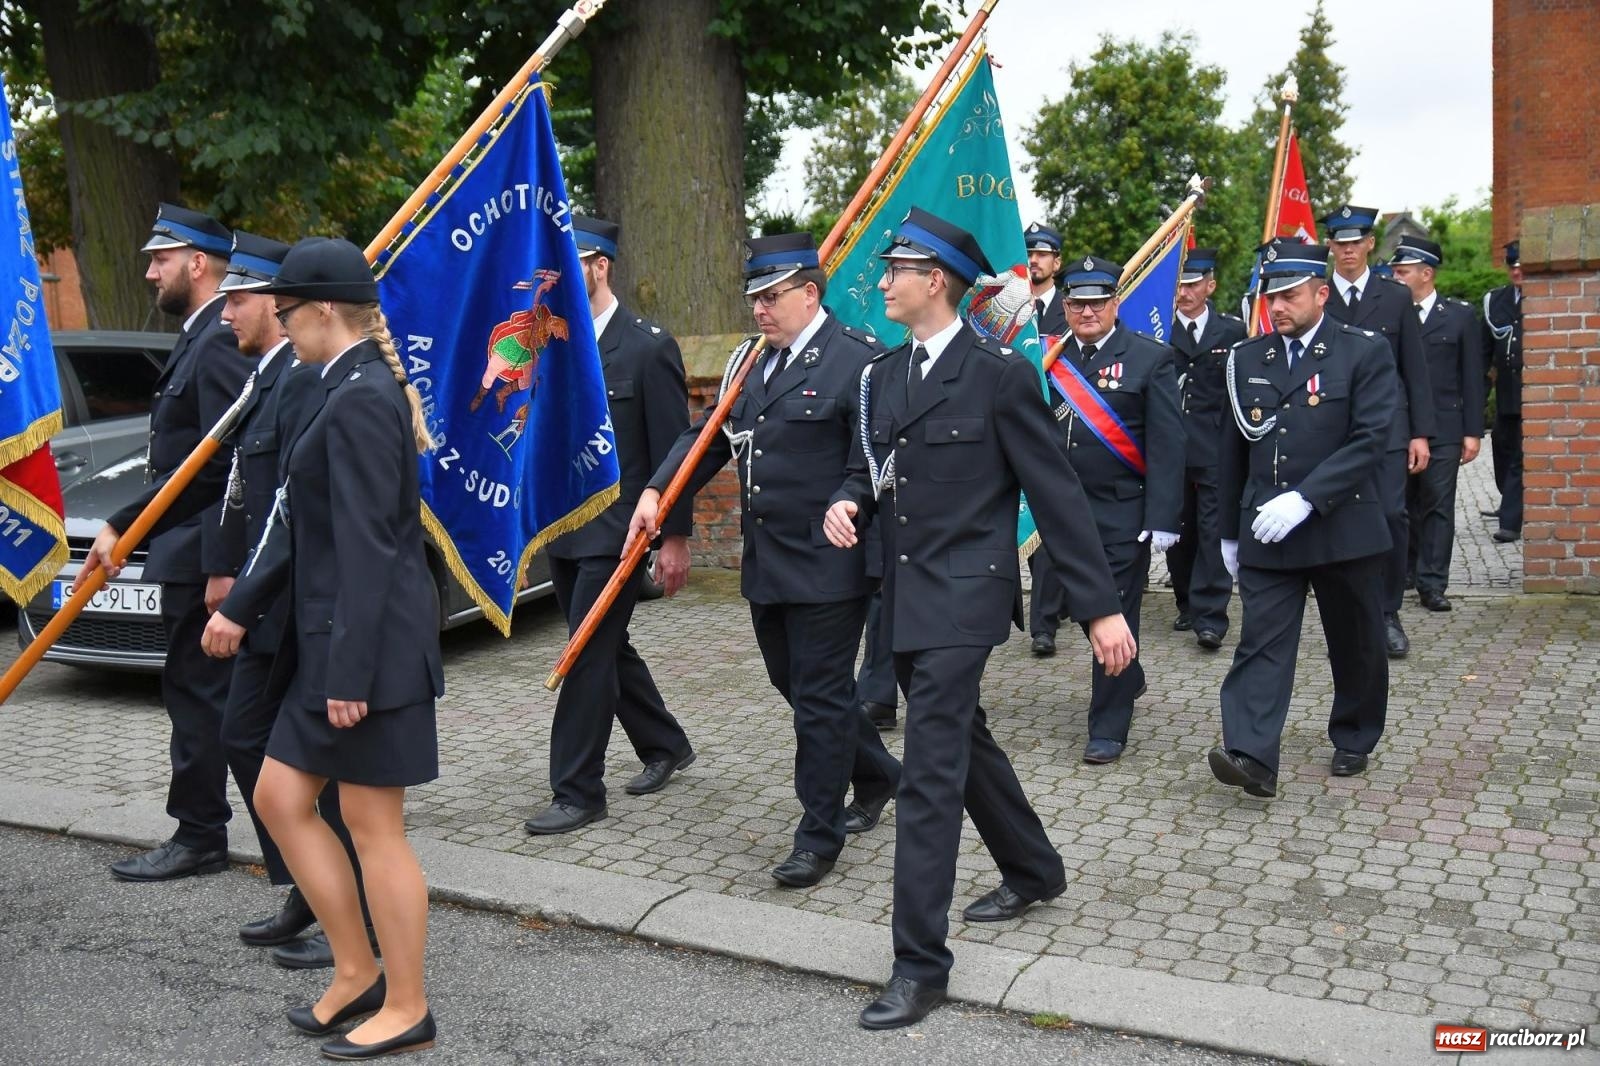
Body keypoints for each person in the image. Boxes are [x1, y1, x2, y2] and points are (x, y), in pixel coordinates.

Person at [822, 207, 1136, 1029]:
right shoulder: (884, 377)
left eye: (895, 270)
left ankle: (919, 964)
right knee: (962, 737)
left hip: (966, 598)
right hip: (901, 595)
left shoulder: (998, 375)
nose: (882, 282)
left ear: (936, 282)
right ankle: (1034, 869)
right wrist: (849, 501)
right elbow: (871, 468)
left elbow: (1056, 493)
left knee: (929, 773)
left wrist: (1100, 610)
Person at [214, 237, 442, 1058]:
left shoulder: (361, 398)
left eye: (283, 310)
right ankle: (355, 970)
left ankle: (407, 1004)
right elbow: (298, 519)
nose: (278, 322)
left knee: (374, 824)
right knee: (280, 797)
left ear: (317, 311)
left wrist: (349, 671)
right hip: (332, 647)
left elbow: (371, 546)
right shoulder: (336, 385)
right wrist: (246, 607)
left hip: (366, 655)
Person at [630, 232, 902, 888]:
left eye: (772, 296)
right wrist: (657, 494)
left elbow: (873, 459)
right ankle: (880, 775)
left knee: (817, 698)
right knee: (802, 688)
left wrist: (848, 500)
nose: (760, 308)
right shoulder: (750, 364)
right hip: (770, 564)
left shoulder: (858, 361)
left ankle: (819, 833)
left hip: (831, 565)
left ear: (811, 294)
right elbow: (707, 437)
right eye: (754, 297)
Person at [76, 203, 253, 883]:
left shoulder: (216, 342)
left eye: (162, 259)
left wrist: (218, 560)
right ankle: (209, 828)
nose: (151, 272)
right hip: (186, 548)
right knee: (197, 695)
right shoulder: (199, 337)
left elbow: (222, 462)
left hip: (204, 553)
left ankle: (204, 834)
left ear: (199, 263)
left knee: (204, 698)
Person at [524, 216, 698, 835]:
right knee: (604, 644)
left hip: (623, 531)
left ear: (601, 267)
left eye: (575, 267)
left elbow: (677, 446)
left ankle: (578, 790)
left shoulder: (648, 346)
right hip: (567, 530)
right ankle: (665, 744)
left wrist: (673, 536)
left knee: (585, 653)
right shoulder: (555, 344)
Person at [1209, 241, 1396, 798]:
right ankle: (1251, 754)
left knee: (1356, 640)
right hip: (1267, 526)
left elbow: (1370, 440)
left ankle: (1355, 735)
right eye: (1272, 296)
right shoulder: (1247, 358)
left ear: (1321, 292)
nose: (1278, 306)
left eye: (1289, 295)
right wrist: (1226, 531)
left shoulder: (1363, 352)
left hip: (1342, 525)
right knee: (1260, 642)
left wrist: (1308, 498)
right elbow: (1230, 450)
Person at [1051, 254, 1183, 763]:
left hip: (1119, 511)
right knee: (1082, 607)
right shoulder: (1048, 356)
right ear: (1065, 306)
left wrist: (1163, 517)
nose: (1087, 312)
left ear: (1116, 302)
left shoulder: (1150, 358)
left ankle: (1108, 725)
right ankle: (1130, 672)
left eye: (1097, 302)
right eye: (1077, 303)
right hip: (1060, 513)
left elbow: (1170, 445)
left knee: (1114, 612)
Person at [1319, 205, 1435, 659]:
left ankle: (1387, 613)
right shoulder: (1319, 295)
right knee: (1338, 520)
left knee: (1390, 515)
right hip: (1333, 428)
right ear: (1330, 247)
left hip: (1389, 426)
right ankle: (1347, 619)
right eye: (1339, 243)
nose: (1348, 250)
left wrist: (1420, 432)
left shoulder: (1395, 297)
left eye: (1355, 242)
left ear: (1370, 244)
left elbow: (1415, 368)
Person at [1390, 236, 1485, 611]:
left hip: (1445, 426)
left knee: (1437, 504)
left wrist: (1473, 431)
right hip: (1401, 424)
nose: (1395, 277)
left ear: (1426, 274)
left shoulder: (1459, 315)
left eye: (1402, 272)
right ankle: (1406, 571)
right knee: (1401, 504)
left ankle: (1432, 583)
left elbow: (1472, 377)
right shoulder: (1394, 314)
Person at [1166, 247, 1248, 648]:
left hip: (1216, 446)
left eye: (1192, 284)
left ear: (1210, 286)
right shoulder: (1158, 327)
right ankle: (1185, 602)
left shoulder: (1232, 331)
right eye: (1179, 285)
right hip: (1171, 445)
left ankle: (1211, 616)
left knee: (1215, 530)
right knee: (1179, 529)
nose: (1184, 292)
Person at [1020, 221, 1071, 655]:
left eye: (1042, 254)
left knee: (1051, 523)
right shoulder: (1007, 308)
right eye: (1028, 253)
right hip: (1015, 425)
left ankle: (1045, 623)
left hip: (1060, 423)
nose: (1034, 260)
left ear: (1057, 262)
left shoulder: (1070, 312)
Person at [1482, 240, 1523, 543]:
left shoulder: (1545, 295)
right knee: (1501, 444)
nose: (1517, 270)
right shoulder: (1496, 300)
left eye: (1521, 265)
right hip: (1507, 390)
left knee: (1523, 456)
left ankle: (1511, 520)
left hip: (1536, 391)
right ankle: (1509, 499)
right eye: (1512, 265)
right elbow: (1486, 353)